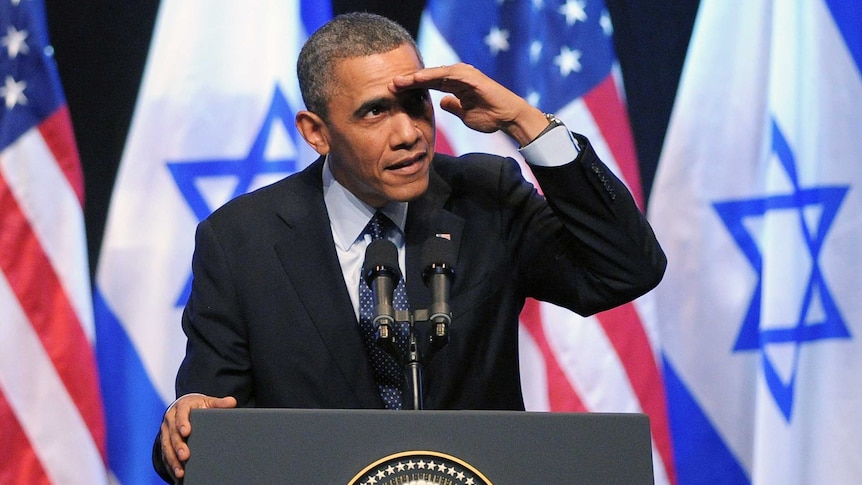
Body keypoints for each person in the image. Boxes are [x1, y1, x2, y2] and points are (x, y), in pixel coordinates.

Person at [154, 12, 666, 482]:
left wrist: (524, 122)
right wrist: (184, 425)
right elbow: (205, 428)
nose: (408, 134)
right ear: (316, 132)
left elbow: (626, 269)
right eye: (375, 112)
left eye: (415, 104)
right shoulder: (243, 239)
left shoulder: (485, 197)